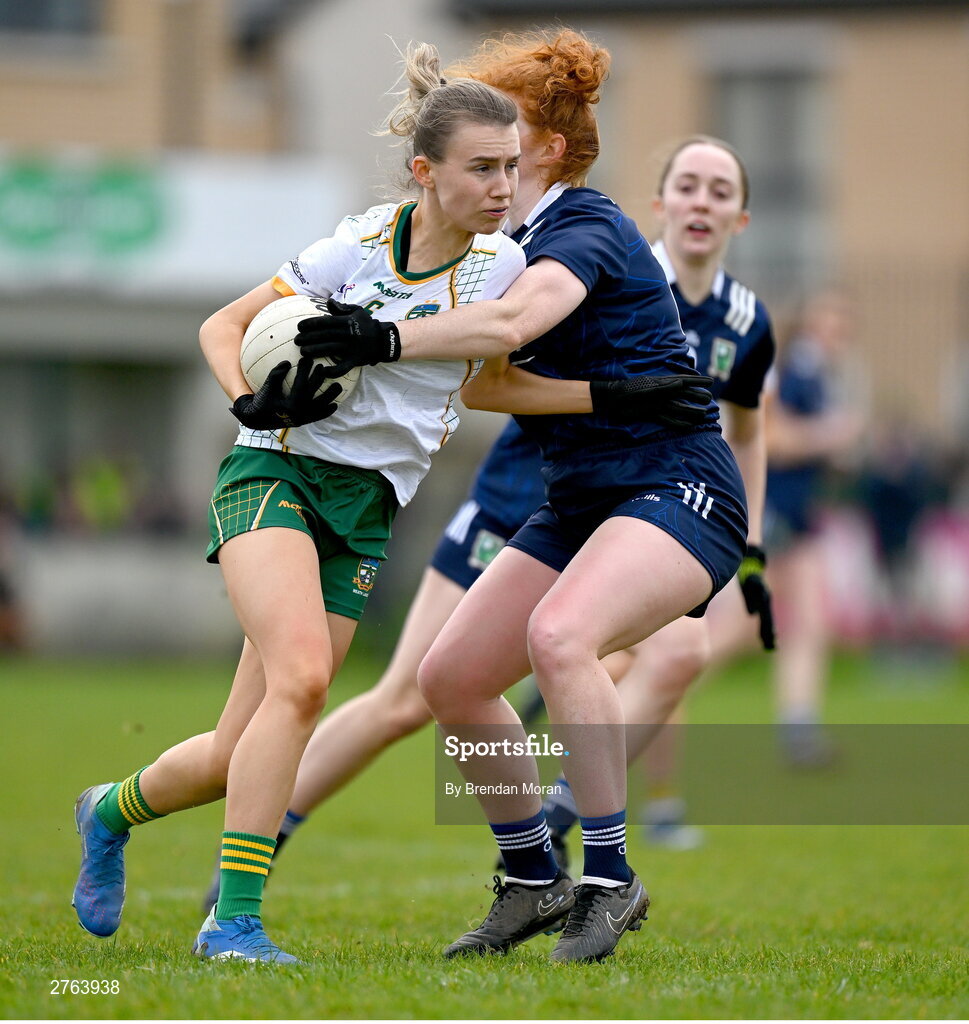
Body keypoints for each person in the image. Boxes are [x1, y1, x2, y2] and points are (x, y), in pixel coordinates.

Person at [71, 48, 564, 966]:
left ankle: (107, 810)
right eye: (483, 168)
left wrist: (619, 398)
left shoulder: (506, 269)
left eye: (511, 166)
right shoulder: (358, 246)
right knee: (302, 680)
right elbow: (224, 328)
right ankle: (235, 924)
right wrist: (245, 400)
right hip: (275, 473)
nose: (505, 185)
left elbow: (497, 385)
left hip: (368, 507)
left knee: (233, 753)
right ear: (427, 171)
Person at [297, 30, 748, 964]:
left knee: (558, 637)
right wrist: (607, 391)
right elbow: (487, 386)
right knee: (447, 678)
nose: (486, 153)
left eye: (503, 137)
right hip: (582, 496)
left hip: (678, 487)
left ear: (541, 148)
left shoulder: (580, 225)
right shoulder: (496, 245)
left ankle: (611, 880)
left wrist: (375, 338)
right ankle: (531, 876)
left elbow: (510, 325)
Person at [536, 135, 776, 850]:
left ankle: (567, 815)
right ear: (660, 204)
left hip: (672, 506)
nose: (701, 200)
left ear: (739, 219)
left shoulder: (745, 321)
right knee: (417, 693)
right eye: (689, 185)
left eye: (720, 190)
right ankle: (566, 816)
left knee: (675, 654)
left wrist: (753, 543)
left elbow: (748, 432)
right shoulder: (621, 280)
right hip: (572, 495)